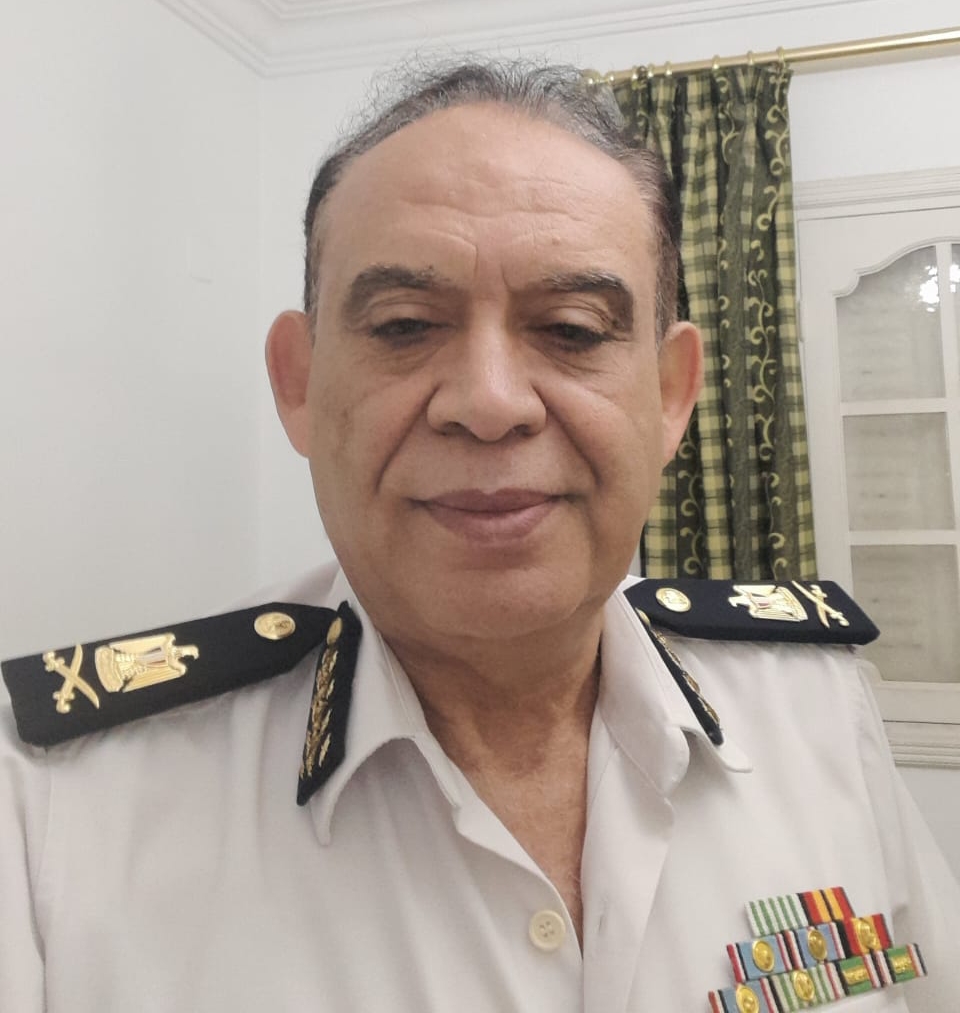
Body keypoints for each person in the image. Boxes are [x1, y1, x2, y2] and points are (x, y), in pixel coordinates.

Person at [1, 59, 958, 1012]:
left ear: (672, 395)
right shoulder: (57, 812)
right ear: (299, 384)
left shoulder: (817, 715)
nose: (491, 403)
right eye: (404, 325)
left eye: (573, 329)